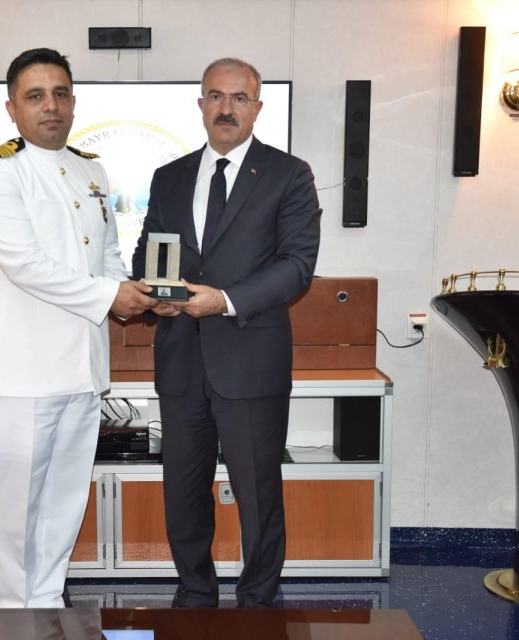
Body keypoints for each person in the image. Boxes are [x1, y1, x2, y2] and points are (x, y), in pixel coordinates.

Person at [0, 47, 156, 608]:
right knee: (16, 511)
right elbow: (26, 266)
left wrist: (134, 298)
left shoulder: (91, 169)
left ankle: (46, 607)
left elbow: (107, 255)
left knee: (64, 505)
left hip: (82, 370)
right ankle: (9, 617)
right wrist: (111, 296)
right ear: (12, 109)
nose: (51, 106)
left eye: (60, 93)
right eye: (35, 96)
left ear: (73, 102)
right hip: (22, 373)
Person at [131, 58, 322, 608]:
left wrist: (225, 301)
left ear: (257, 108)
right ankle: (195, 594)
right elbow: (150, 250)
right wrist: (153, 296)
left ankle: (258, 602)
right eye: (216, 96)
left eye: (239, 98)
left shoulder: (289, 174)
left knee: (258, 495)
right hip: (180, 361)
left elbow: (297, 266)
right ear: (201, 105)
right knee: (183, 492)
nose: (226, 108)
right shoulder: (169, 177)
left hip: (249, 360)